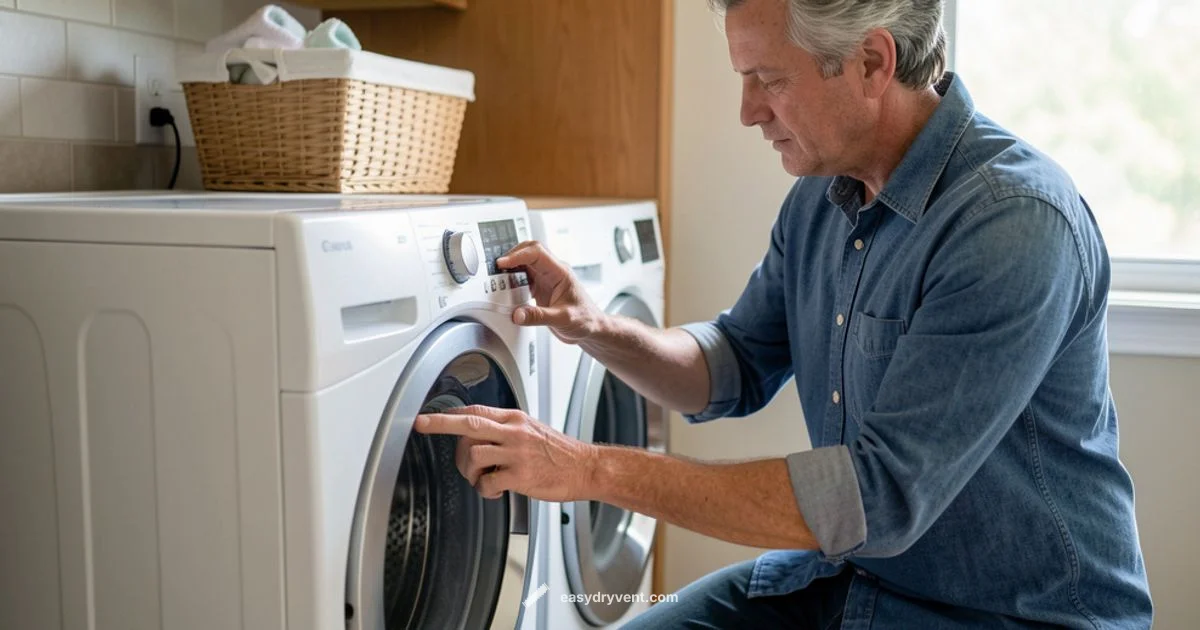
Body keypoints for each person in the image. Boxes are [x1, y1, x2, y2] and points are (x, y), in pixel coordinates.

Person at [414, 0, 1154, 626]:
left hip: (1011, 612)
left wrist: (588, 468)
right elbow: (728, 366)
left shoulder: (1011, 223)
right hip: (860, 582)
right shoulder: (824, 194)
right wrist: (597, 330)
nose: (748, 112)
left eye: (768, 80)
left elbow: (875, 498)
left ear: (871, 62)